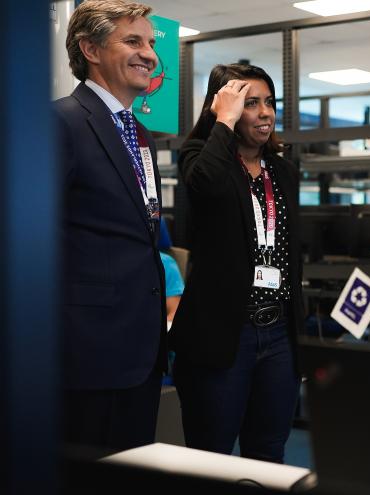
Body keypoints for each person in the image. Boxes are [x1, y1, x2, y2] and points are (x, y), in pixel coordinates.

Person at [170, 64, 303, 463]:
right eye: (250, 104)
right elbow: (205, 187)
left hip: (278, 333)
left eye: (269, 103)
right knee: (211, 456)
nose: (265, 113)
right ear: (224, 107)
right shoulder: (200, 159)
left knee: (268, 450)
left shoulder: (284, 171)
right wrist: (222, 121)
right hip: (225, 334)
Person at [55, 0, 166, 451]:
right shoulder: (58, 121)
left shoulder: (139, 134)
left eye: (152, 43)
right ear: (90, 48)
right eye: (133, 41)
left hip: (141, 349)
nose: (151, 55)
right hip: (85, 351)